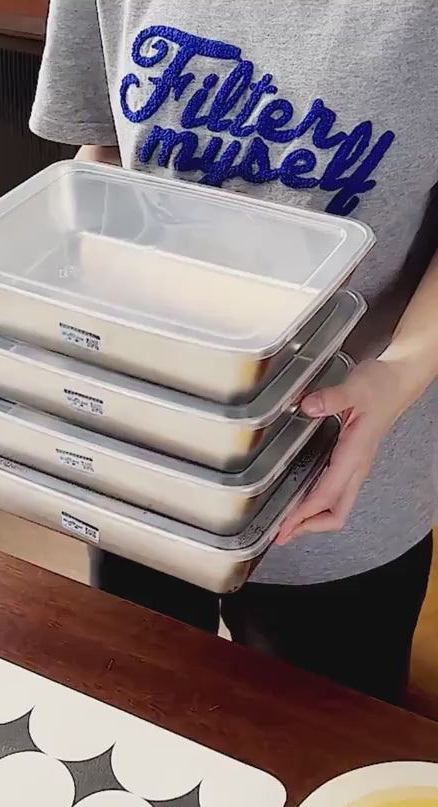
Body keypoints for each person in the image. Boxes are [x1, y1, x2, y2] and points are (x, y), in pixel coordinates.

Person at [29, 2, 438, 706]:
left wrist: (398, 374)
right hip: (138, 454)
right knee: (141, 711)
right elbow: (105, 159)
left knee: (317, 740)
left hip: (335, 475)